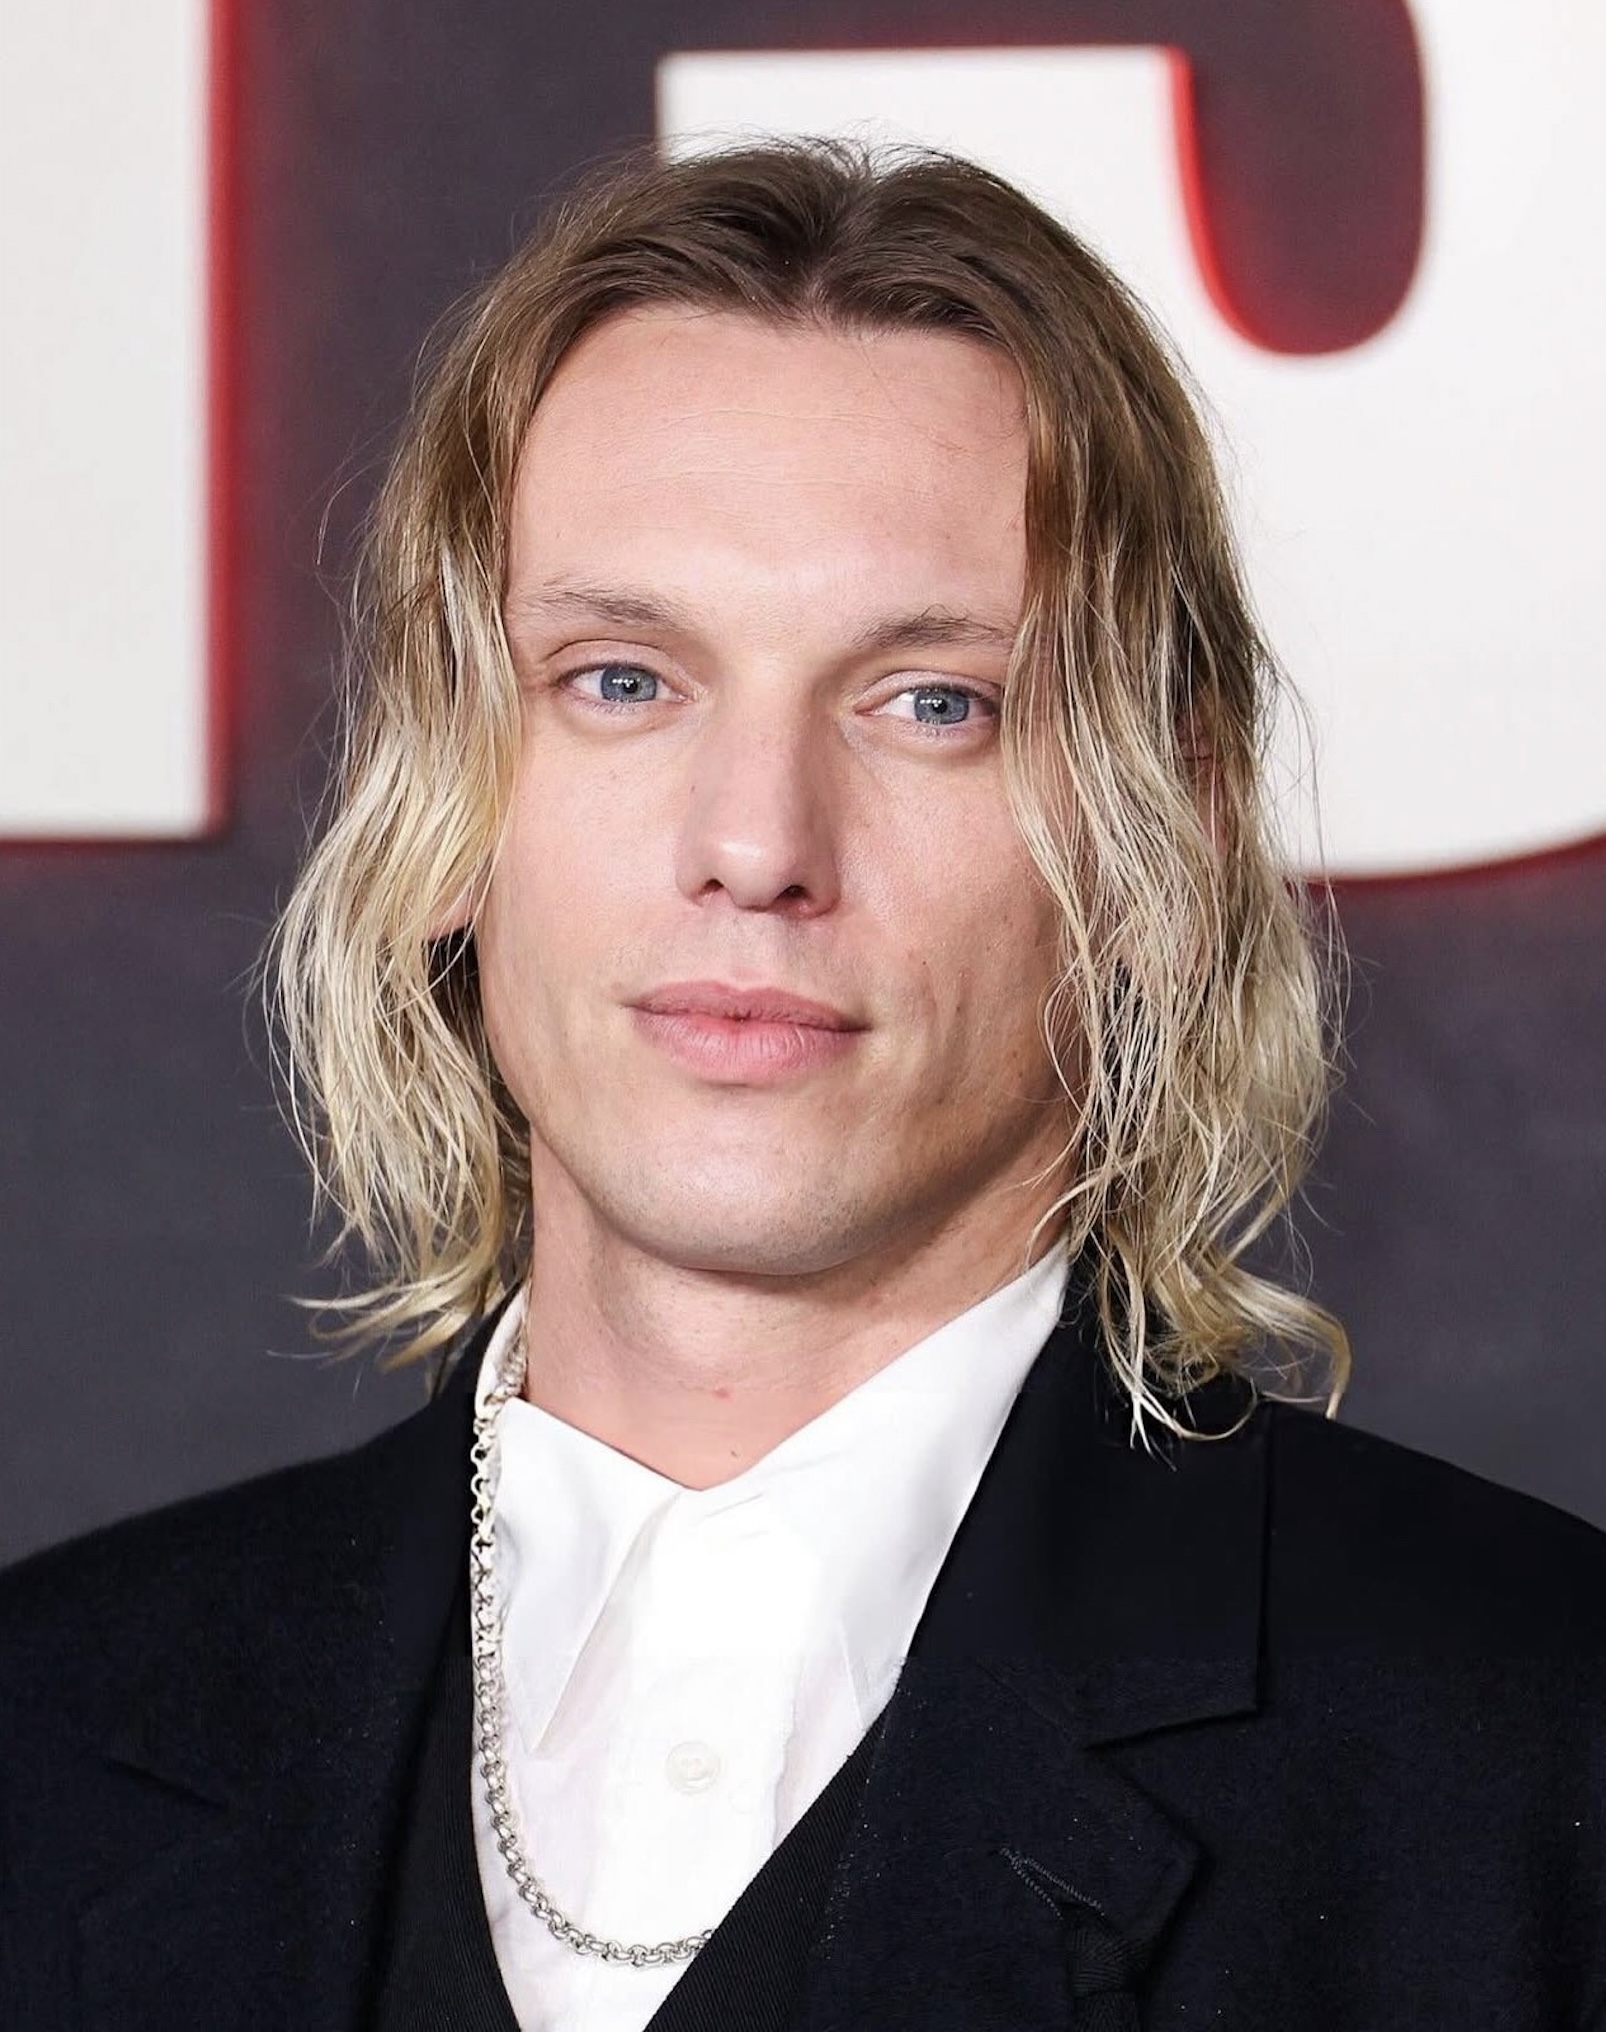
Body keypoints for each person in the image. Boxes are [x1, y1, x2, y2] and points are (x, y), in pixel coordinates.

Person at [1, 139, 1602, 2032]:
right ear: (441, 795)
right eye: (620, 678)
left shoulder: (1537, 1759)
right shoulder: (44, 1729)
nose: (755, 844)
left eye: (932, 703)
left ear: (1164, 836)